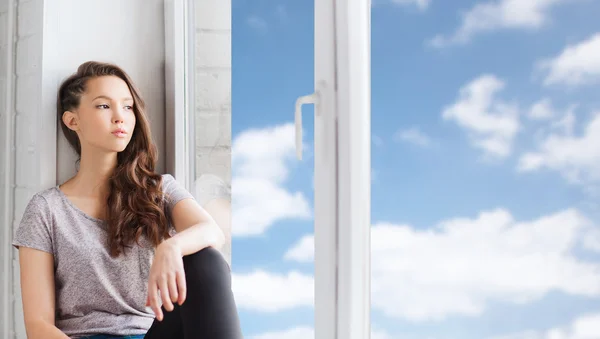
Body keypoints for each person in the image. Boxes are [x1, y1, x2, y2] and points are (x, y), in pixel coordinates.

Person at [12, 61, 243, 339]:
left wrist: (171, 247)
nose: (120, 116)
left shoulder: (159, 190)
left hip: (151, 333)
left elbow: (212, 232)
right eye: (103, 106)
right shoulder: (46, 210)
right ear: (72, 120)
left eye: (128, 106)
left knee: (206, 262)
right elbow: (38, 326)